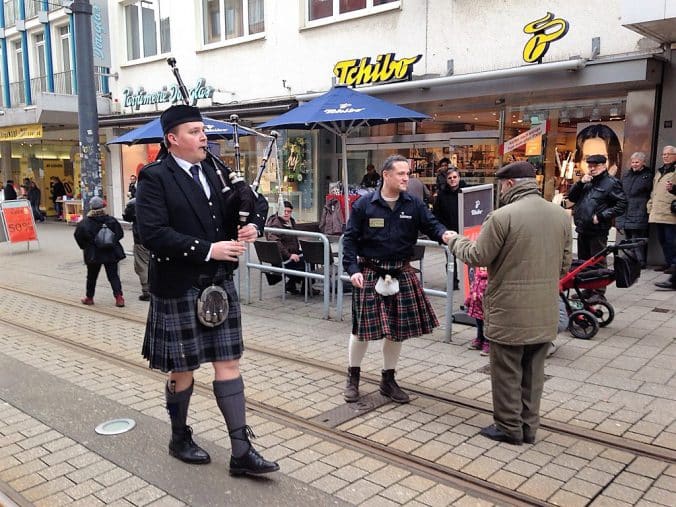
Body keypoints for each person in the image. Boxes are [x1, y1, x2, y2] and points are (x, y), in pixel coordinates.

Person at [135, 104, 278, 477]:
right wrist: (209, 249)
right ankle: (180, 436)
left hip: (218, 283)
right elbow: (151, 233)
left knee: (228, 363)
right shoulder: (155, 177)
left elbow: (255, 202)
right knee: (182, 369)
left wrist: (253, 227)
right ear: (173, 139)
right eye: (196, 131)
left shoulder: (216, 170)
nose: (204, 137)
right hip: (179, 285)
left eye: (204, 131)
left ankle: (241, 453)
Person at [448, 161, 572, 445]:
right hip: (544, 308)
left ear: (510, 184)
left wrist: (454, 241)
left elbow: (479, 255)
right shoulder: (560, 215)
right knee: (533, 373)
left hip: (509, 309)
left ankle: (508, 427)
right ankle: (529, 428)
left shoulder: (502, 216)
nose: (501, 191)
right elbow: (564, 265)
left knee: (506, 370)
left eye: (502, 186)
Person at [342, 154, 453, 404]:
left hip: (401, 272)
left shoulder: (413, 204)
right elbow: (349, 239)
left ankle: (388, 380)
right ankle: (353, 377)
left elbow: (432, 224)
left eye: (408, 173)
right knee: (361, 331)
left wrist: (445, 235)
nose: (406, 178)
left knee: (397, 332)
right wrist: (352, 269)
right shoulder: (364, 205)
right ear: (386, 175)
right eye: (401, 174)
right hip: (369, 272)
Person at [566, 154, 627, 299]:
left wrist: (601, 216)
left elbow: (622, 204)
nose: (592, 169)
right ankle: (587, 288)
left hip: (598, 229)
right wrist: (580, 183)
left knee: (598, 260)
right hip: (582, 227)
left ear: (603, 166)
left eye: (595, 166)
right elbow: (572, 197)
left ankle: (599, 292)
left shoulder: (612, 183)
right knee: (584, 261)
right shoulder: (587, 181)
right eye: (590, 166)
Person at [73, 197, 126, 307]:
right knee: (113, 276)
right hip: (111, 253)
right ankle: (119, 298)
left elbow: (78, 236)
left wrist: (85, 247)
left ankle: (89, 297)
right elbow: (120, 234)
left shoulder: (85, 222)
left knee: (92, 276)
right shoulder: (111, 220)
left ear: (91, 207)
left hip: (94, 254)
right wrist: (111, 241)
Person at [265, 200, 311, 295]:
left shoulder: (291, 221)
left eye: (289, 212)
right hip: (283, 258)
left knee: (310, 257)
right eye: (284, 211)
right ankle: (306, 288)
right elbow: (275, 242)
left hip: (291, 253)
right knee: (308, 261)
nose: (286, 213)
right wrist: (289, 255)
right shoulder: (275, 224)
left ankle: (294, 285)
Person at [615, 152, 653, 267]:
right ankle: (632, 260)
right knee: (628, 238)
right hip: (626, 210)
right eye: (633, 162)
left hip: (639, 210)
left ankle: (640, 261)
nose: (634, 164)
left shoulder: (648, 176)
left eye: (637, 162)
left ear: (643, 163)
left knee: (636, 238)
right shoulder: (626, 175)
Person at [433, 168, 468, 289]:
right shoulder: (442, 195)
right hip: (449, 231)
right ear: (446, 180)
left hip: (465, 230)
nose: (452, 180)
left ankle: (470, 282)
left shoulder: (466, 192)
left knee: (468, 257)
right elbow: (436, 213)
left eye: (454, 177)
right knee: (450, 258)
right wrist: (441, 230)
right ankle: (453, 283)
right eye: (450, 178)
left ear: (459, 177)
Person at [648, 145, 676, 276]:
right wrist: (650, 205)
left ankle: (674, 264)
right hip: (658, 211)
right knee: (663, 240)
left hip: (671, 212)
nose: (665, 156)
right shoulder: (660, 171)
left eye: (668, 154)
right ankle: (668, 262)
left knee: (672, 240)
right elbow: (654, 191)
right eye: (664, 154)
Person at [122, 197, 150, 300]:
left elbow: (127, 217)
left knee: (142, 265)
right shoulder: (155, 198)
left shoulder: (134, 202)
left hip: (141, 239)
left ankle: (147, 291)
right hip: (156, 237)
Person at [466, 267, 489, 356]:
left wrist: (478, 296)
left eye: (486, 267)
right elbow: (473, 289)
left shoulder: (489, 280)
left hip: (485, 307)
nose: (483, 269)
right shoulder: (477, 277)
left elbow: (488, 294)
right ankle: (480, 339)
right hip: (477, 307)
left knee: (487, 325)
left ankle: (488, 343)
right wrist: (469, 299)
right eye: (482, 267)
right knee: (479, 325)